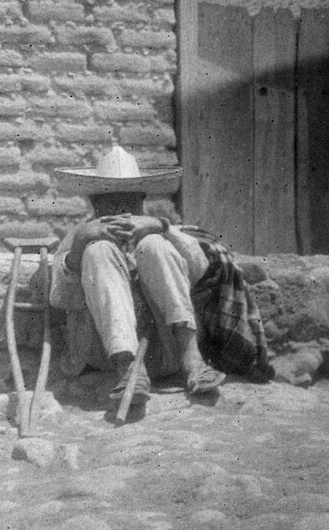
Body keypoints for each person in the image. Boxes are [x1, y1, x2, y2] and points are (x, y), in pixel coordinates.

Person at [50, 146, 271, 407]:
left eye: (129, 200)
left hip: (166, 352)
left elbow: (199, 267)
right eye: (111, 201)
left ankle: (193, 360)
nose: (121, 209)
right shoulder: (81, 235)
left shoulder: (157, 229)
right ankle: (128, 367)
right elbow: (60, 298)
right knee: (98, 251)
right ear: (95, 204)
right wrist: (80, 245)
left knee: (152, 245)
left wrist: (161, 226)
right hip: (105, 355)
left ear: (141, 201)